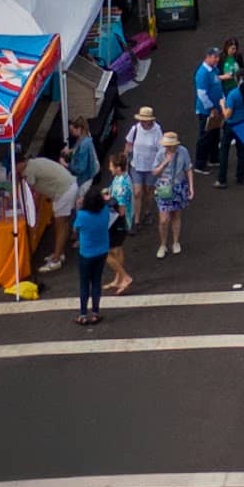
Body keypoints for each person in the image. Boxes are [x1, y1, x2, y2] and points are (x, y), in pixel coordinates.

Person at [22, 153, 78, 273]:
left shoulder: (29, 170)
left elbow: (33, 196)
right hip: (68, 186)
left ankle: (56, 259)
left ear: (20, 163)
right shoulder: (35, 162)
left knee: (61, 225)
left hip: (63, 192)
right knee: (62, 224)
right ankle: (59, 253)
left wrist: (33, 213)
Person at [72, 185, 110, 325]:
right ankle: (95, 312)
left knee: (84, 284)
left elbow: (75, 228)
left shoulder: (82, 216)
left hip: (86, 253)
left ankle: (83, 314)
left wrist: (78, 207)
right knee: (96, 281)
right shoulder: (105, 211)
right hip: (102, 251)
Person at [153, 130, 194, 258]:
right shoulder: (161, 153)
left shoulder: (183, 151)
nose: (168, 147)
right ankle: (163, 244)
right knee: (163, 219)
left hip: (178, 185)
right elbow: (155, 172)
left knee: (176, 214)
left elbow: (188, 169)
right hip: (164, 186)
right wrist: (165, 162)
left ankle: (175, 242)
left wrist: (191, 187)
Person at [217, 66, 244, 188]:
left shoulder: (233, 94)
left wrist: (222, 105)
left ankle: (222, 179)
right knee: (241, 150)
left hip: (231, 124)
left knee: (224, 151)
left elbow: (227, 114)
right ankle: (240, 177)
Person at [125, 106, 165, 227]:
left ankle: (147, 211)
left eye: (144, 120)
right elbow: (128, 143)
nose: (142, 122)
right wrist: (125, 158)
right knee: (137, 192)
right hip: (136, 165)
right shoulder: (135, 129)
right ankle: (136, 220)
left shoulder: (157, 131)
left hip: (151, 167)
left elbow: (161, 149)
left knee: (148, 191)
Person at [103, 153, 135, 295]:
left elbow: (121, 210)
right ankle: (119, 278)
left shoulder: (123, 185)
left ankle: (124, 277)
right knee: (117, 250)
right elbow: (110, 191)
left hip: (118, 221)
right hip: (116, 221)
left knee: (108, 251)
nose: (109, 168)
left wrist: (108, 201)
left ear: (117, 167)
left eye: (111, 166)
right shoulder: (118, 178)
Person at [192, 46, 223, 173]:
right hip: (207, 112)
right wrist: (211, 108)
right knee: (205, 137)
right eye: (215, 57)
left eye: (218, 56)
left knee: (215, 134)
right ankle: (200, 164)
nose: (217, 59)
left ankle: (213, 158)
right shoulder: (202, 73)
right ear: (208, 57)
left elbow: (218, 85)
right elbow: (202, 94)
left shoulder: (214, 70)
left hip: (216, 109)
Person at [63, 117, 99, 196]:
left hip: (84, 178)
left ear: (79, 128)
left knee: (79, 200)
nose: (72, 133)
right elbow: (77, 149)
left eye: (72, 130)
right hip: (88, 175)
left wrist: (66, 165)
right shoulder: (85, 137)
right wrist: (70, 151)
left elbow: (80, 168)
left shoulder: (84, 144)